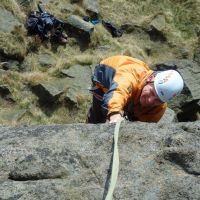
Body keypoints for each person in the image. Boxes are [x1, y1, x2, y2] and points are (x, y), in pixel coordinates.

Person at [87, 55, 184, 123]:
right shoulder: (130, 75)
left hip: (133, 93)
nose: (150, 100)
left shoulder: (159, 107)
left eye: (157, 100)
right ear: (150, 79)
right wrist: (115, 113)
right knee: (98, 117)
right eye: (152, 93)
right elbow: (119, 91)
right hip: (105, 82)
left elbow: (146, 128)